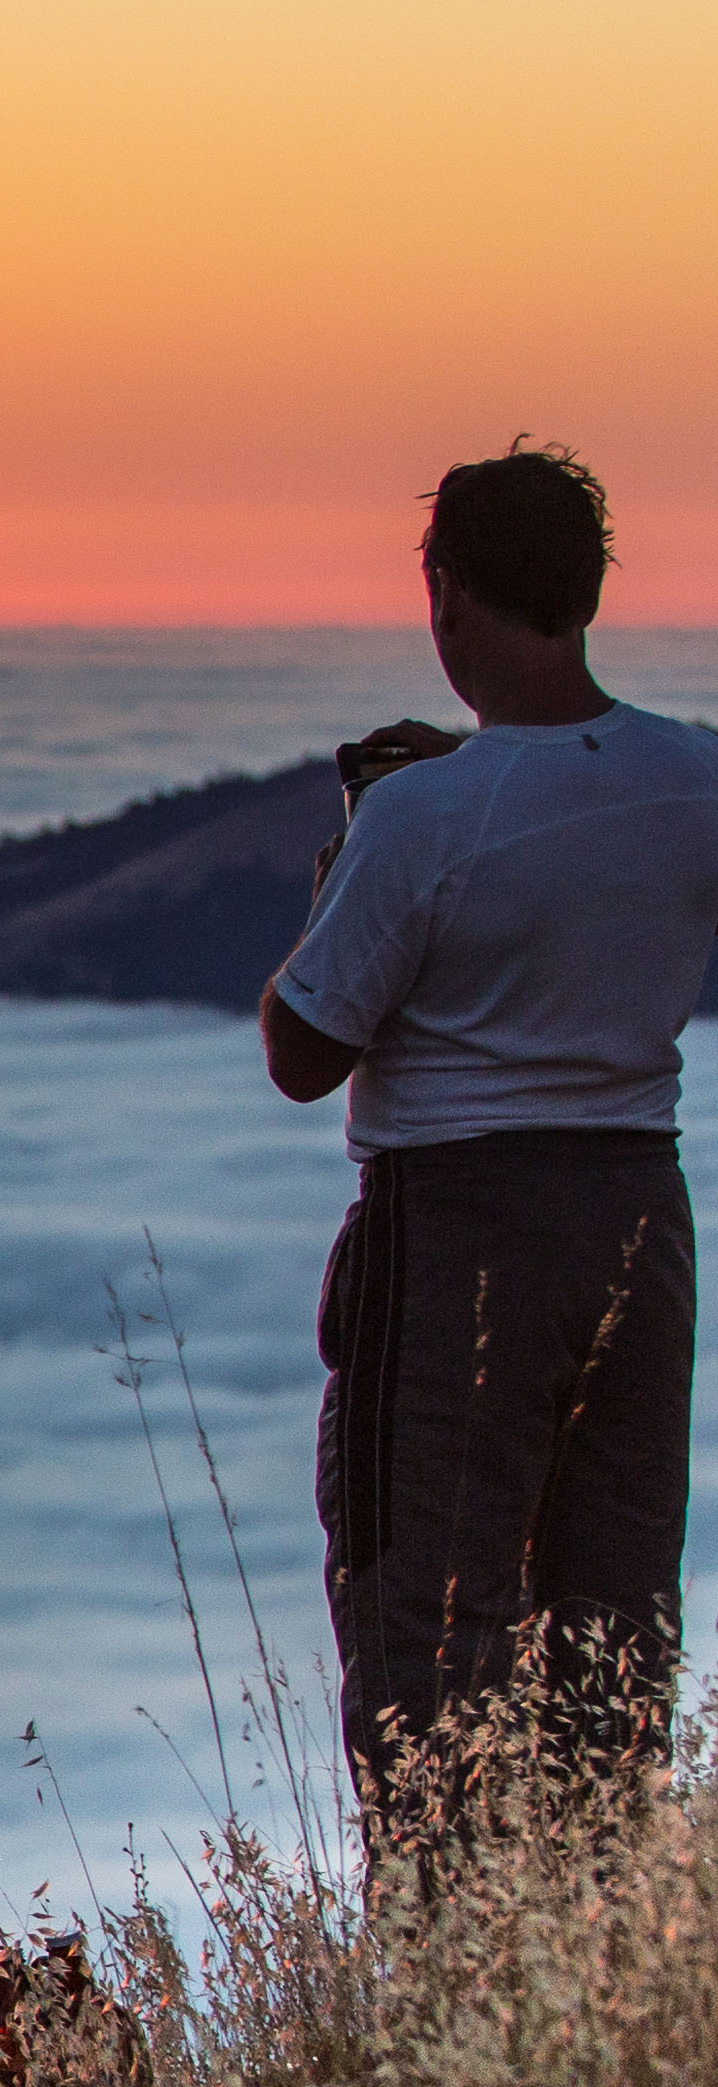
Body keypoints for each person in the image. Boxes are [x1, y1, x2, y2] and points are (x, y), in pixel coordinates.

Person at [262, 441, 718, 1843]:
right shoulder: (693, 779)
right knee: (611, 1613)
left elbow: (301, 1051)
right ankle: (591, 1947)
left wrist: (343, 880)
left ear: (445, 598)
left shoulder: (423, 818)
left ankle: (452, 1953)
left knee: (432, 1627)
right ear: (584, 592)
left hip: (458, 1227)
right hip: (642, 1213)